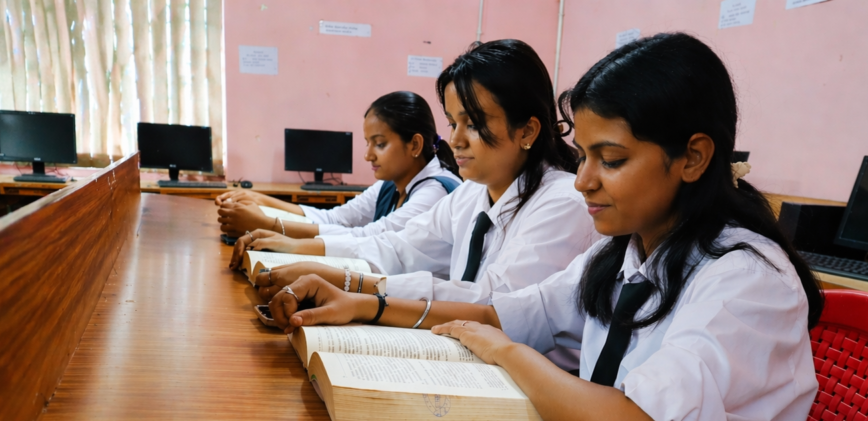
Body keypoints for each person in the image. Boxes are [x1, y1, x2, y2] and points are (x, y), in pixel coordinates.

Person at [266, 33, 824, 421]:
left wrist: (508, 353)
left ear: (694, 158)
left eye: (611, 159)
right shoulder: (625, 249)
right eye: (582, 155)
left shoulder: (745, 278)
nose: (583, 180)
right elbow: (507, 310)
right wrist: (369, 305)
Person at [239, 39, 599, 315]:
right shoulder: (471, 194)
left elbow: (493, 303)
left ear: (527, 131)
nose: (455, 140)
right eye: (452, 122)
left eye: (473, 124)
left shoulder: (562, 202)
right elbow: (399, 248)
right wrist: (303, 257)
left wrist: (351, 284)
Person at [215, 91, 460, 239]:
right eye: (368, 143)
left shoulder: (434, 193)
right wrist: (259, 200)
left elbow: (369, 237)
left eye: (380, 144)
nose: (368, 156)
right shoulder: (389, 185)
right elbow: (335, 219)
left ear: (415, 145)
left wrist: (266, 225)